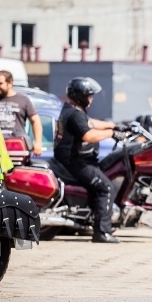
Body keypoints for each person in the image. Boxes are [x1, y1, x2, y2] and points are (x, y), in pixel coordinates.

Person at [54, 77, 120, 244]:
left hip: (68, 160)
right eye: (89, 96)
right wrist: (112, 134)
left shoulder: (71, 110)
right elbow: (88, 135)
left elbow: (90, 123)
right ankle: (101, 232)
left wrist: (112, 125)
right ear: (80, 96)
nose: (91, 99)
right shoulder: (75, 114)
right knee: (106, 187)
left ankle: (92, 219)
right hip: (74, 162)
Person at [0, 70, 42, 157]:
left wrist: (38, 142)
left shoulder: (23, 100)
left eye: (0, 83)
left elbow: (35, 120)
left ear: (10, 83)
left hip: (17, 149)